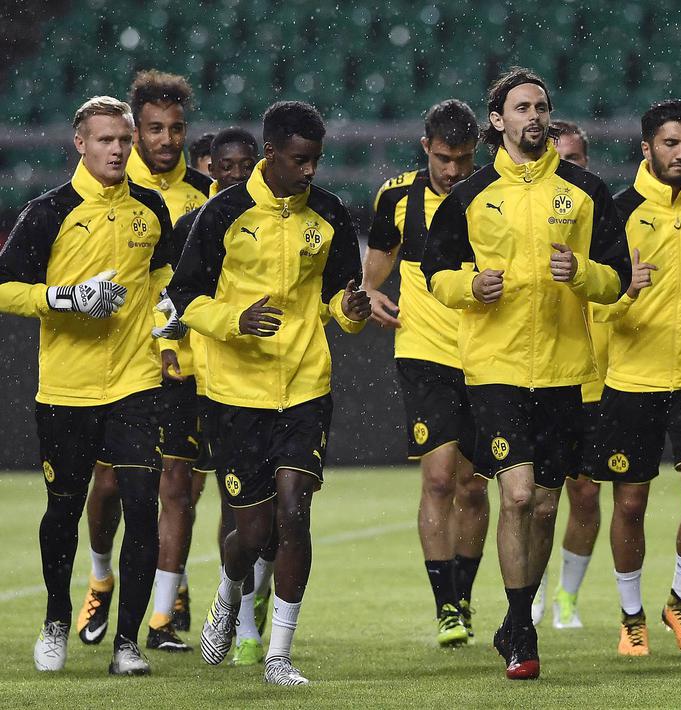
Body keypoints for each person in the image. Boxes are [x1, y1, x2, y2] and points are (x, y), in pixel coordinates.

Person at [421, 66, 630, 680]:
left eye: (541, 106)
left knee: (544, 505)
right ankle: (522, 627)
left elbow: (616, 278)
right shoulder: (470, 195)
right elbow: (436, 271)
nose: (533, 116)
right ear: (498, 121)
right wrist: (470, 286)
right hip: (496, 368)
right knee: (514, 493)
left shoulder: (587, 191)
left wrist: (584, 275)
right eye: (520, 107)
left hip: (566, 371)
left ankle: (514, 622)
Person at [168, 100, 371, 686]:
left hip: (306, 386)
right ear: (271, 154)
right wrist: (237, 321)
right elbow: (186, 299)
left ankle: (279, 654)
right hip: (236, 393)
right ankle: (229, 590)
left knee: (294, 512)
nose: (310, 172)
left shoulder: (328, 214)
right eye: (300, 161)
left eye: (317, 161)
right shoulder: (224, 213)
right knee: (252, 533)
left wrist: (351, 309)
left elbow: (338, 296)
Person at [1, 95, 175, 675]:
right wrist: (65, 298)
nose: (118, 150)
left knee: (142, 511)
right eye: (105, 140)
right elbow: (4, 289)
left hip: (135, 383)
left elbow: (166, 281)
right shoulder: (48, 211)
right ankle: (56, 620)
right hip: (67, 389)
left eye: (124, 140)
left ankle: (128, 643)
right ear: (80, 144)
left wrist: (169, 325)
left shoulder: (151, 210)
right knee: (63, 510)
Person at [587, 100, 681, 658]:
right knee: (629, 505)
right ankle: (631, 615)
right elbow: (594, 299)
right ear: (646, 147)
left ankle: (679, 600)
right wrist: (625, 291)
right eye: (671, 143)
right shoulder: (617, 211)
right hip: (632, 378)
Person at [79, 70, 212, 650]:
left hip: (184, 365)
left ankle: (162, 611)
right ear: (134, 131)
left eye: (176, 128)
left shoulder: (206, 198)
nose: (166, 139)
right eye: (154, 129)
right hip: (125, 363)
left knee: (179, 486)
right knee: (106, 485)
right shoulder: (111, 186)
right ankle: (101, 573)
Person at [363, 99, 490, 647]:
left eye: (463, 159)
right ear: (425, 148)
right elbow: (376, 271)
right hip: (425, 351)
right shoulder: (396, 196)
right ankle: (446, 608)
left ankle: (462, 593)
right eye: (444, 158)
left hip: (488, 352)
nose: (454, 171)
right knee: (439, 477)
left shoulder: (493, 196)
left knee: (474, 486)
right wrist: (368, 294)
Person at [166, 127, 269, 666]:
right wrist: (171, 352)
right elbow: (171, 299)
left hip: (259, 381)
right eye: (223, 167)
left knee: (265, 508)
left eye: (242, 165)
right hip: (205, 381)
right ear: (209, 168)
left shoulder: (274, 219)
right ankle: (223, 614)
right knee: (214, 500)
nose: (232, 175)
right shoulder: (193, 226)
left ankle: (248, 608)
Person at [530, 119, 605, 630]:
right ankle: (528, 591)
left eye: (575, 159)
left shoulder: (605, 216)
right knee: (532, 495)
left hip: (595, 374)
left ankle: (568, 597)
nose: (566, 168)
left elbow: (621, 286)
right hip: (537, 371)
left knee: (585, 492)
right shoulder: (530, 219)